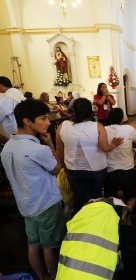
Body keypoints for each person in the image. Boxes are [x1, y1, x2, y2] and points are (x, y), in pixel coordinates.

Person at [1, 99, 65, 280]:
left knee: (33, 244)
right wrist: (51, 144)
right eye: (43, 118)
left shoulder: (8, 147)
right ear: (27, 121)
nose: (48, 122)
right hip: (46, 204)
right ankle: (53, 277)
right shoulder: (37, 150)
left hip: (26, 205)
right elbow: (57, 169)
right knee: (50, 247)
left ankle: (40, 276)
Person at [56, 98, 123, 213]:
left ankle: (79, 224)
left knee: (79, 198)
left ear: (73, 111)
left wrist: (63, 166)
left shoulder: (63, 126)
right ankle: (94, 223)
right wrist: (114, 144)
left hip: (73, 169)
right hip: (96, 170)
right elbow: (105, 148)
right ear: (90, 111)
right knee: (95, 197)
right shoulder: (97, 126)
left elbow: (59, 149)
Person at [105, 108, 136, 212]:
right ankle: (126, 217)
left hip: (109, 171)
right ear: (122, 119)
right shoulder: (128, 129)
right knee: (131, 197)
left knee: (110, 199)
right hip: (127, 170)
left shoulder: (104, 130)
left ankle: (112, 218)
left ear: (109, 119)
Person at [0, 76, 26, 144]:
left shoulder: (8, 98)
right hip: (24, 129)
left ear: (1, 85)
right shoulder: (17, 94)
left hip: (14, 132)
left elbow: (1, 112)